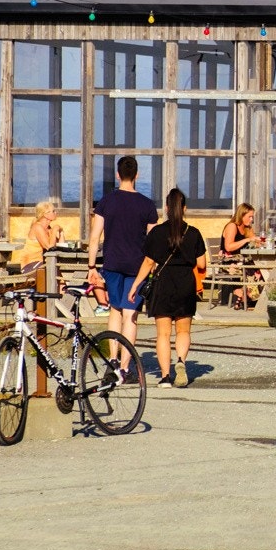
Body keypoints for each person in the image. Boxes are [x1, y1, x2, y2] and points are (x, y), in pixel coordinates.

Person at [130, 188, 207, 389]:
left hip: (163, 283)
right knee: (183, 330)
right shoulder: (194, 233)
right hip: (185, 283)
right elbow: (201, 265)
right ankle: (180, 361)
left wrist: (135, 285)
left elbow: (148, 262)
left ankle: (165, 377)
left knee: (163, 334)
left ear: (165, 208)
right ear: (185, 209)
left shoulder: (156, 232)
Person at [87, 156, 158, 359]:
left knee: (115, 311)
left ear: (118, 175)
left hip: (112, 262)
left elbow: (95, 237)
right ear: (137, 175)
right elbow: (152, 241)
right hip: (138, 266)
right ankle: (126, 366)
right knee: (130, 315)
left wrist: (92, 266)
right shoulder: (147, 205)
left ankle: (113, 360)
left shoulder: (106, 202)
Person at [218, 203, 261, 310]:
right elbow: (228, 247)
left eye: (252, 217)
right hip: (229, 262)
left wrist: (261, 242)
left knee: (259, 268)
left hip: (241, 261)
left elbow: (256, 242)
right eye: (249, 217)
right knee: (250, 270)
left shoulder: (247, 228)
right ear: (241, 215)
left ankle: (242, 294)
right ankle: (247, 296)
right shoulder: (232, 226)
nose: (251, 219)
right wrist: (247, 240)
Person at [16, 197, 63, 279]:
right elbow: (50, 247)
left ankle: (63, 291)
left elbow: (60, 246)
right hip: (30, 264)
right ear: (45, 214)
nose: (56, 213)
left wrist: (61, 233)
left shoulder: (48, 228)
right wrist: (55, 229)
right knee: (54, 271)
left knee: (60, 272)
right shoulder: (37, 227)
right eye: (53, 211)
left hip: (43, 263)